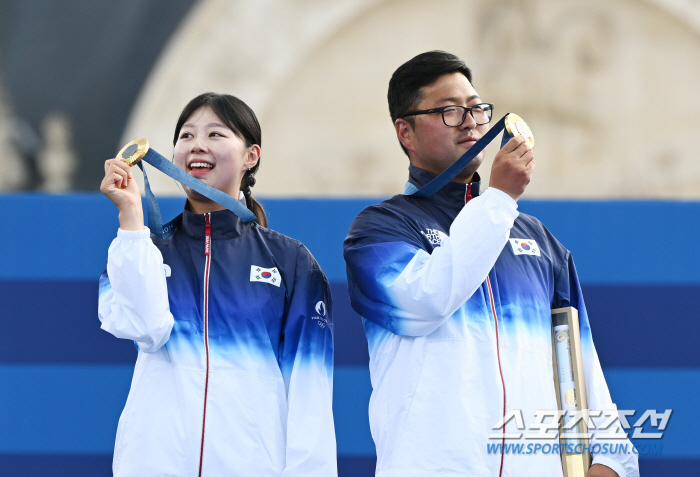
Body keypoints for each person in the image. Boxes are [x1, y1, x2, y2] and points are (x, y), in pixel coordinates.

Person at [343, 51, 639, 477]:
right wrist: (499, 199)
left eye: (477, 108)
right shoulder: (380, 229)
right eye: (448, 111)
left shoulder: (537, 240)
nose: (470, 121)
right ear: (405, 132)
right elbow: (421, 306)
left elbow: (578, 362)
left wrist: (613, 459)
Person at [98, 92, 336, 477]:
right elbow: (145, 329)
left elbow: (310, 396)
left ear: (250, 156)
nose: (197, 145)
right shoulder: (140, 249)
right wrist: (131, 218)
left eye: (215, 134)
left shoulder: (292, 263)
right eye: (186, 136)